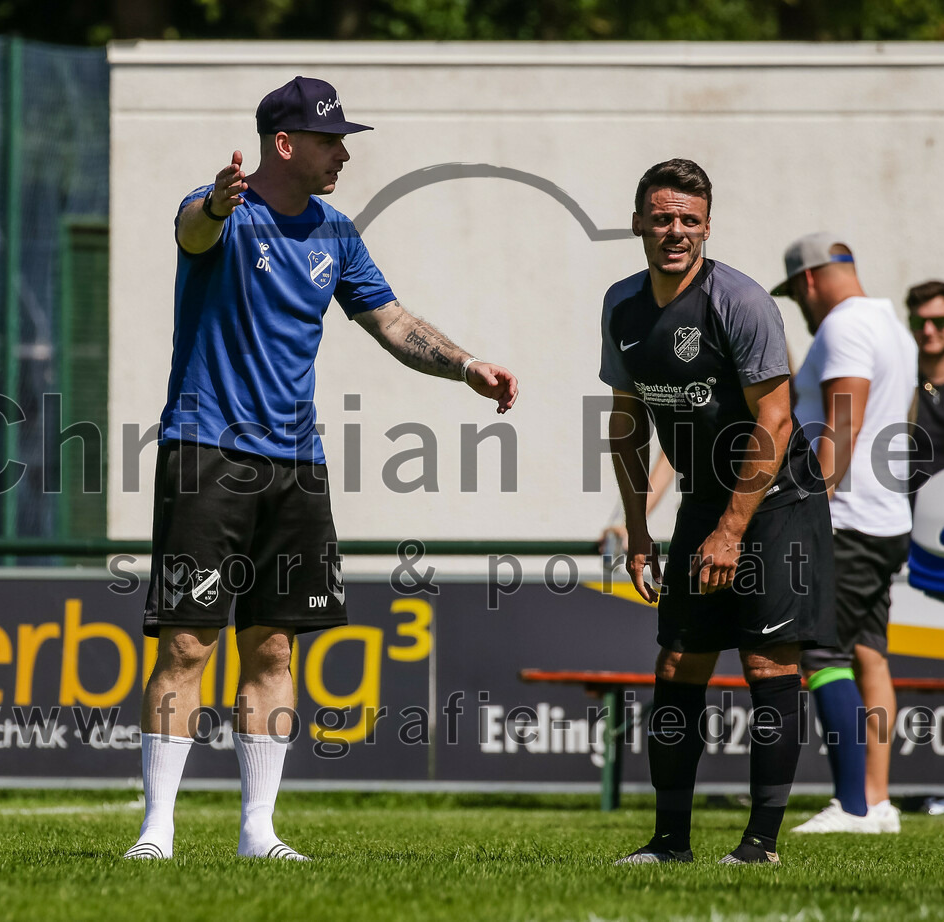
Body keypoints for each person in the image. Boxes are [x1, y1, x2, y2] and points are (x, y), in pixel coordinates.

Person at [123, 76, 518, 861]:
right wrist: (214, 201)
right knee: (189, 645)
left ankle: (257, 832)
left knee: (275, 648)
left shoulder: (337, 232)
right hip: (208, 452)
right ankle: (156, 833)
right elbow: (191, 232)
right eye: (332, 140)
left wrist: (466, 365)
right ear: (285, 144)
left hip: (297, 466)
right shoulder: (224, 212)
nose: (343, 154)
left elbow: (393, 320)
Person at [601, 159, 834, 866]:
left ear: (707, 224)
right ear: (639, 221)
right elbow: (626, 418)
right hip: (703, 502)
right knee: (677, 663)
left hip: (777, 502)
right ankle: (669, 843)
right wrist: (639, 529)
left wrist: (733, 530)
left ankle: (758, 844)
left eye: (689, 220)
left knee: (767, 665)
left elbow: (776, 421)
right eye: (663, 217)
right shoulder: (621, 304)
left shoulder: (740, 300)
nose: (676, 231)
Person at [774, 233, 917, 834]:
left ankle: (854, 806)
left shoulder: (843, 326)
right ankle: (877, 801)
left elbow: (844, 421)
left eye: (796, 295)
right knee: (868, 655)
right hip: (885, 519)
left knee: (822, 652)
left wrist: (814, 506)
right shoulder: (893, 327)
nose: (801, 310)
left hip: (846, 519)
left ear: (809, 280)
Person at [905, 280, 944, 498]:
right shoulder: (900, 376)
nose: (928, 330)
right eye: (918, 321)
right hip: (911, 514)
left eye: (939, 321)